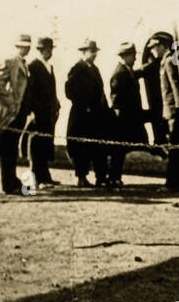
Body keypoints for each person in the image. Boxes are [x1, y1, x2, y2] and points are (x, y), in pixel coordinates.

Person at [64, 40, 111, 188]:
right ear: (84, 52)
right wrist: (84, 105)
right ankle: (81, 177)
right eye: (92, 51)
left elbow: (101, 91)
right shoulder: (77, 69)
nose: (94, 54)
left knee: (98, 147)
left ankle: (101, 177)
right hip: (81, 117)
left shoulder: (95, 69)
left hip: (96, 116)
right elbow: (69, 91)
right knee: (80, 148)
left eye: (95, 51)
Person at [149, 31, 179, 190]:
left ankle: (172, 184)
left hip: (174, 112)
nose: (153, 50)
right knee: (176, 149)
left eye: (154, 47)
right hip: (173, 111)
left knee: (174, 149)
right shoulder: (166, 61)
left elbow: (175, 84)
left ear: (162, 46)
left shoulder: (168, 61)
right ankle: (176, 182)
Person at [0, 34, 32, 194]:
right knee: (7, 147)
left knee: (12, 147)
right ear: (17, 46)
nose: (26, 48)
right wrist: (10, 100)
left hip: (19, 112)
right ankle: (8, 184)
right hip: (10, 112)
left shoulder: (23, 63)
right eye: (23, 45)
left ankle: (12, 181)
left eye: (28, 45)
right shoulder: (10, 61)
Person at [106, 42, 147, 189]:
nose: (135, 58)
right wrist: (120, 116)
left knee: (121, 150)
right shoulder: (120, 73)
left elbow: (138, 73)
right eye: (134, 55)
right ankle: (113, 178)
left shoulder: (127, 70)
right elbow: (115, 97)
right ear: (126, 56)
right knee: (119, 150)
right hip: (122, 119)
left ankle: (115, 177)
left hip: (128, 117)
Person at [21, 37, 60, 188]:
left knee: (45, 143)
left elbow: (51, 89)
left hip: (48, 112)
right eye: (46, 49)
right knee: (36, 144)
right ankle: (34, 178)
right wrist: (33, 110)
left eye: (50, 49)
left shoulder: (48, 66)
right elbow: (30, 91)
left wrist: (55, 102)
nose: (49, 52)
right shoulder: (34, 66)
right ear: (40, 50)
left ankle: (44, 176)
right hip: (38, 112)